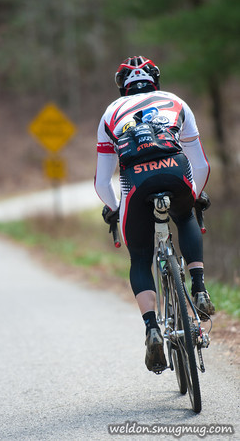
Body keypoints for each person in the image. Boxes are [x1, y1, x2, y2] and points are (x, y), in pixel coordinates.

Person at [94, 56, 215, 373]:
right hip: (175, 172)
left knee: (140, 257)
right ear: (155, 82)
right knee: (186, 216)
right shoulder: (176, 102)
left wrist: (114, 209)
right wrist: (195, 195)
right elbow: (200, 164)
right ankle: (199, 288)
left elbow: (102, 181)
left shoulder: (110, 113)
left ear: (123, 87)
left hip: (135, 182)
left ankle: (151, 328)